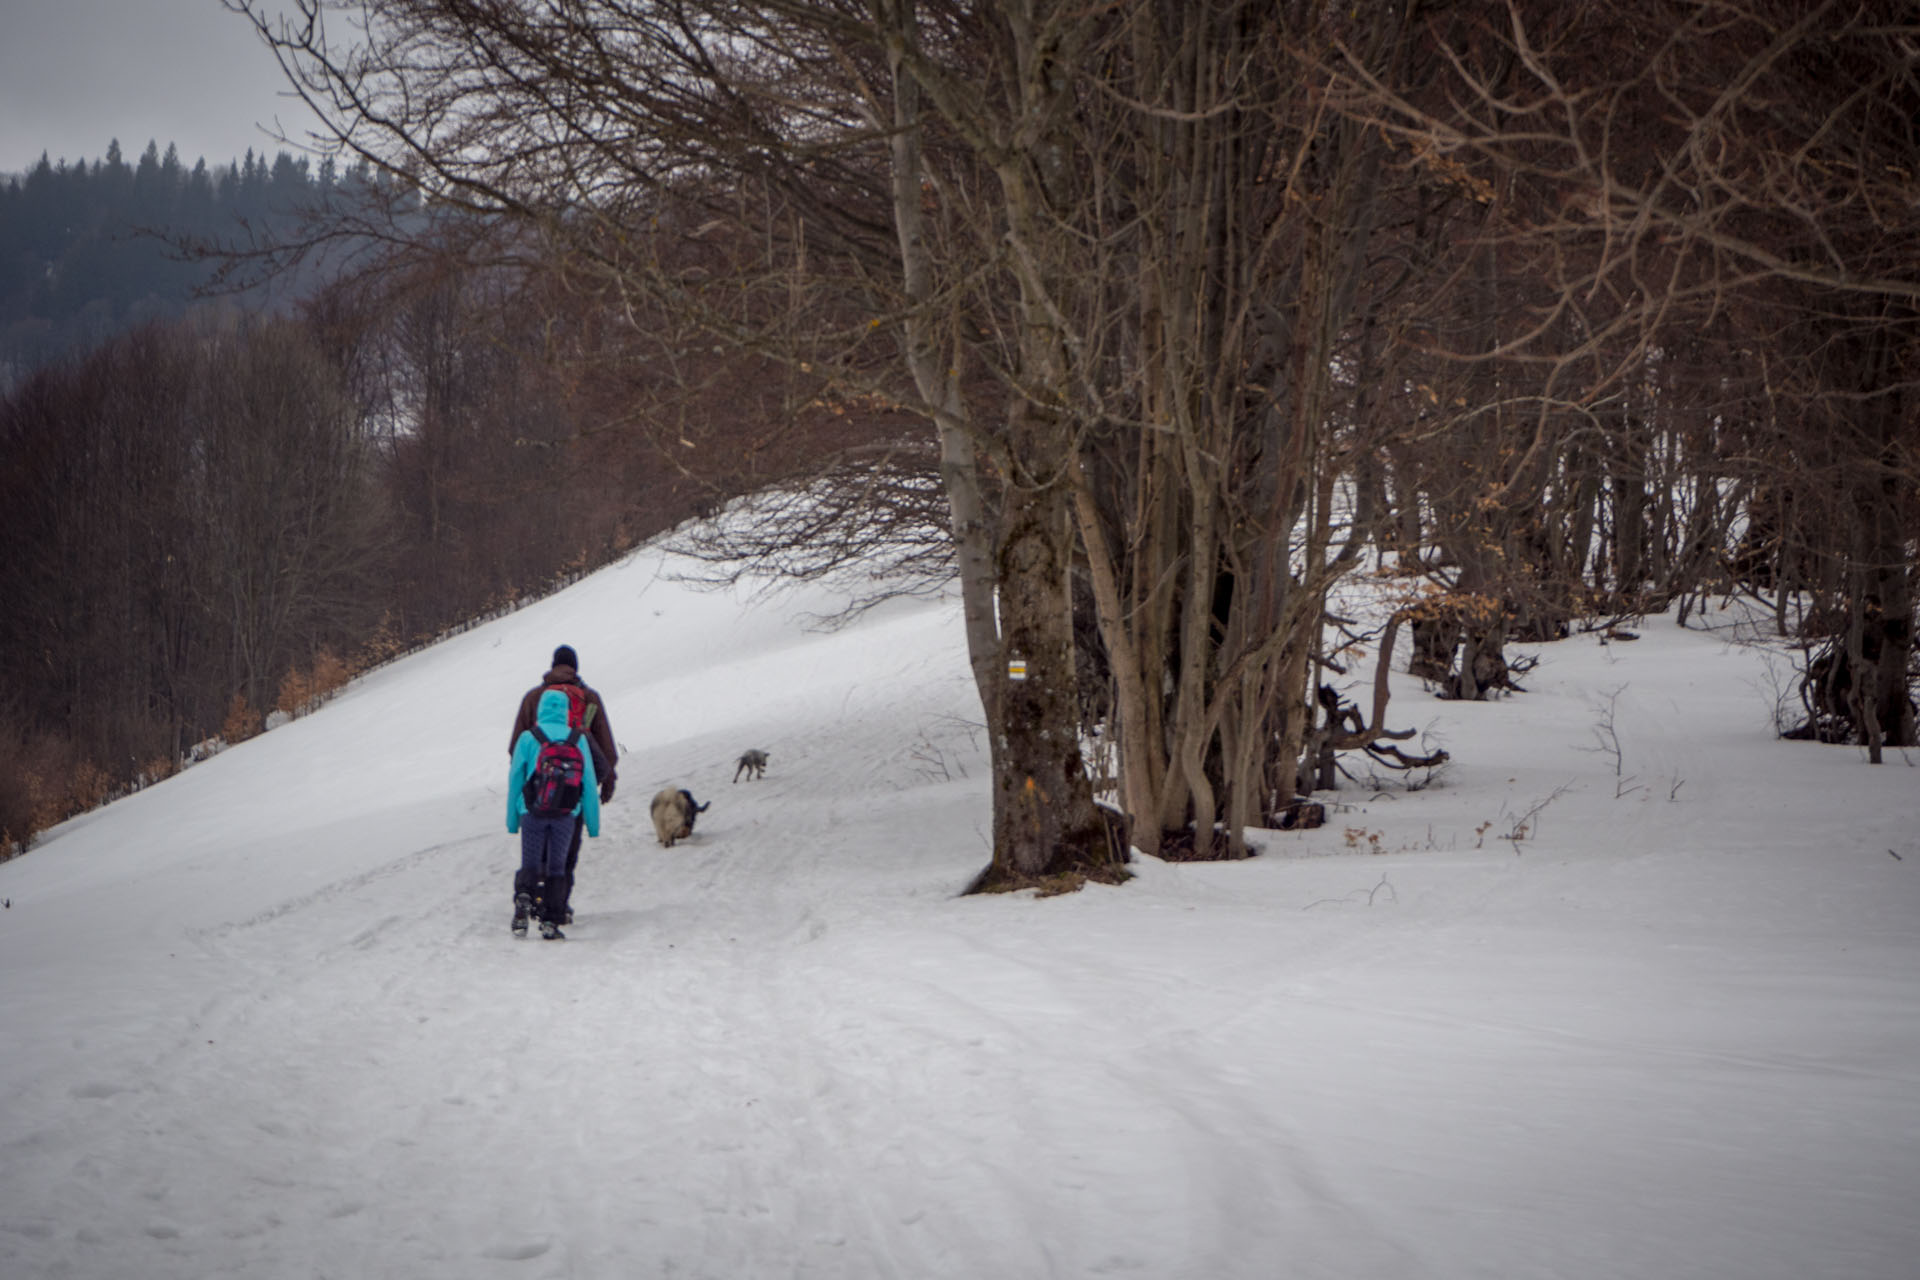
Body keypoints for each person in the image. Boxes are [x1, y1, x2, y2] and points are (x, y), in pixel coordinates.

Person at [508, 644, 618, 924]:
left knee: (536, 849)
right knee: (565, 853)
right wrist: (606, 782)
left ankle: (532, 897)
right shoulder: (589, 698)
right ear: (575, 668)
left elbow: (515, 748)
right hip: (573, 794)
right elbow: (605, 747)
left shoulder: (534, 697)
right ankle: (557, 908)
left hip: (534, 797)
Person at [507, 688, 602, 939]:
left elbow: (516, 779)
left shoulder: (528, 738)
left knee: (530, 862)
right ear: (566, 711)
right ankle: (550, 921)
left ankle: (524, 896)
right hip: (565, 815)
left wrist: (512, 820)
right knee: (557, 868)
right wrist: (593, 824)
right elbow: (589, 784)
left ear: (540, 708)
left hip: (532, 813)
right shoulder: (577, 738)